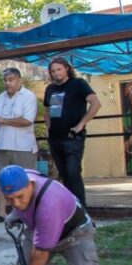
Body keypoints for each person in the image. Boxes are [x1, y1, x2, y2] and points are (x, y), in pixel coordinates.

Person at [44, 57, 101, 208]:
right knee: (64, 174)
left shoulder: (78, 84)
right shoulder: (50, 89)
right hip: (55, 138)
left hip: (72, 137)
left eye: (59, 69)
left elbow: (96, 103)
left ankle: (82, 211)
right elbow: (47, 111)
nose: (56, 73)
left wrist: (81, 124)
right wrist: (48, 128)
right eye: (53, 71)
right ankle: (70, 210)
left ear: (67, 69)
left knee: (73, 172)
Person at [0, 67, 39, 221]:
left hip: (23, 146)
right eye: (5, 80)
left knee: (26, 181)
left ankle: (27, 213)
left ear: (19, 80)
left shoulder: (28, 96)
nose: (8, 83)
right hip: (3, 146)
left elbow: (27, 120)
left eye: (11, 80)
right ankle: (1, 212)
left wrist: (4, 121)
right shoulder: (1, 97)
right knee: (2, 180)